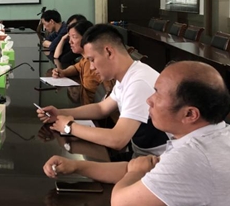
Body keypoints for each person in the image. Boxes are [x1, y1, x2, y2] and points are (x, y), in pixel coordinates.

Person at [43, 61, 230, 206]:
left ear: (189, 114)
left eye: (158, 94)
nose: (149, 100)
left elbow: (120, 204)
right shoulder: (212, 136)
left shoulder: (192, 158)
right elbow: (138, 168)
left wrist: (135, 172)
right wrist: (76, 166)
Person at [37, 24, 168, 156]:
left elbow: (118, 139)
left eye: (92, 60)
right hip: (142, 157)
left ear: (108, 52)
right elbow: (101, 108)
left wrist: (69, 127)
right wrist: (59, 113)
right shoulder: (128, 75)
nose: (92, 67)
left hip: (157, 161)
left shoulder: (139, 83)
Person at [51, 20, 111, 105]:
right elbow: (76, 67)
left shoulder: (99, 64)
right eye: (69, 38)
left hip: (93, 109)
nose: (70, 42)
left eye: (74, 37)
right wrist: (63, 72)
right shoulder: (85, 59)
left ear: (87, 38)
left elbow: (109, 96)